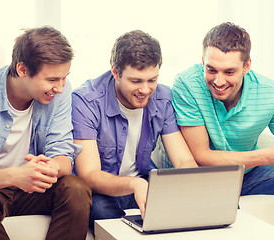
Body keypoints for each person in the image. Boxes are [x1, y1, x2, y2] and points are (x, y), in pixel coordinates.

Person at [171, 22, 274, 240]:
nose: (218, 81)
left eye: (229, 72)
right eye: (211, 69)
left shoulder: (270, 92)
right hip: (202, 177)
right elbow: (202, 156)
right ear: (203, 62)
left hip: (249, 175)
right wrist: (267, 155)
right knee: (223, 211)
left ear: (247, 66)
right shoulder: (186, 85)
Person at [0, 26, 92, 240]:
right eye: (52, 80)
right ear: (22, 69)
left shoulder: (59, 95)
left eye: (64, 78)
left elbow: (64, 158)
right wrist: (18, 176)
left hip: (36, 189)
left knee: (76, 188)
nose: (61, 88)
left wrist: (50, 166)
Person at [71, 30, 198, 230]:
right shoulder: (86, 101)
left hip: (144, 183)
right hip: (100, 190)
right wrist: (133, 184)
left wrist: (197, 189)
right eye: (136, 81)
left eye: (152, 80)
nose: (145, 90)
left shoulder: (163, 98)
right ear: (115, 72)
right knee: (102, 212)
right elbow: (89, 174)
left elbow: (183, 160)